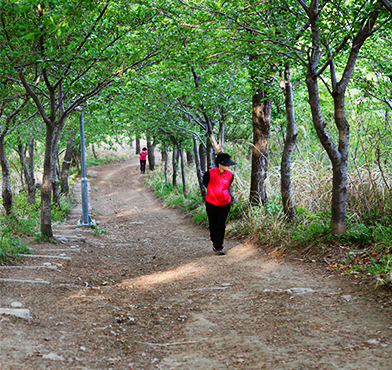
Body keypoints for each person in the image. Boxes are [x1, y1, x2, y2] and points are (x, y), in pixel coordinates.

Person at [203, 152, 237, 255]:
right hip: (211, 203)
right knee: (213, 225)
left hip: (225, 203)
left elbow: (228, 185)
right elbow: (205, 183)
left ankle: (219, 247)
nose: (228, 166)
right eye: (226, 164)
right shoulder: (209, 173)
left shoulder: (230, 175)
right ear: (219, 163)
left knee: (221, 225)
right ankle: (214, 241)